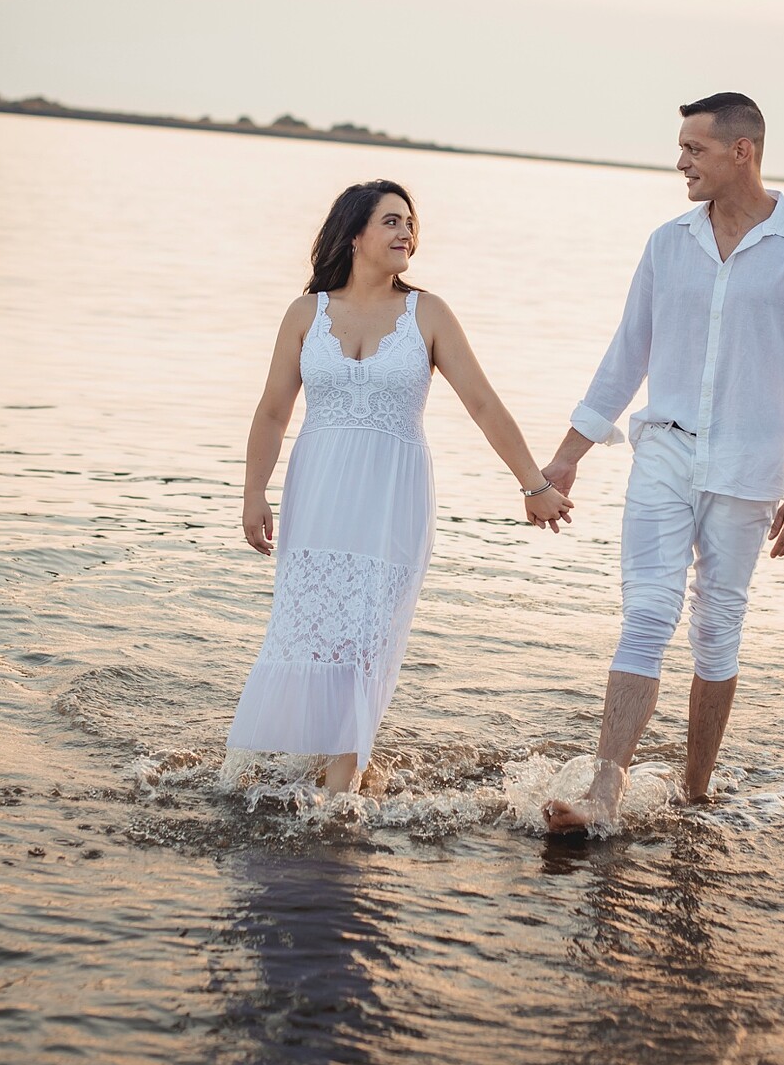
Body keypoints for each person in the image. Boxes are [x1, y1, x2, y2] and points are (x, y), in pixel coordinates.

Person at [542, 93, 784, 833]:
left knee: (718, 628)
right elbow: (627, 355)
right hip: (666, 451)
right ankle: (603, 789)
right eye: (681, 148)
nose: (680, 161)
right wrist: (568, 455)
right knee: (647, 611)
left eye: (694, 149)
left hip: (750, 467)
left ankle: (696, 789)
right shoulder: (667, 243)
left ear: (741, 151)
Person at [228, 180, 574, 794]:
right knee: (306, 626)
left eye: (410, 223)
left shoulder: (428, 314)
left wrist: (534, 484)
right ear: (354, 233)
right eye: (391, 222)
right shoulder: (306, 314)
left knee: (368, 633)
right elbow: (273, 411)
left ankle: (342, 782)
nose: (405, 233)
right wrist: (254, 493)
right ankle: (312, 760)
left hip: (392, 496)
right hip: (318, 494)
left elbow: (483, 404)